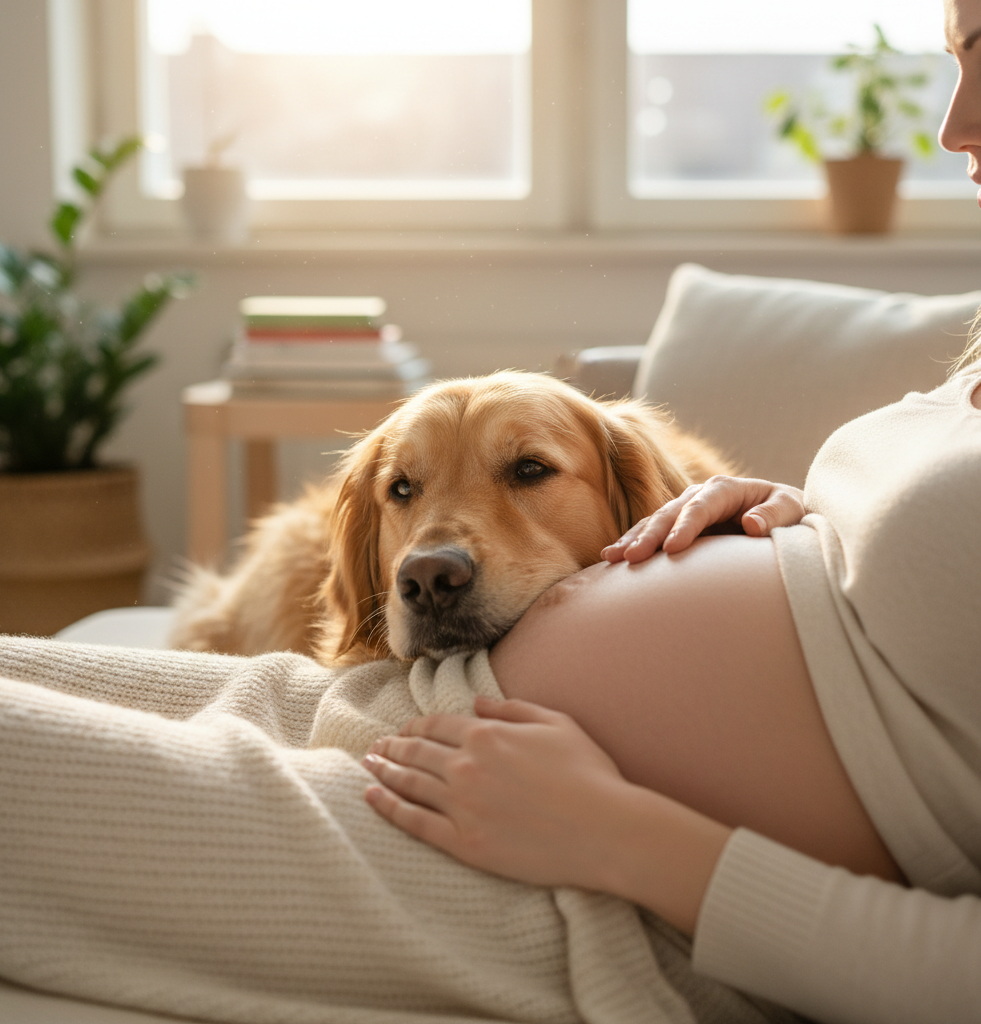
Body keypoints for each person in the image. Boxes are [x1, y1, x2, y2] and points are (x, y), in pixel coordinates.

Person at [360, 2, 981, 1020]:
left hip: (568, 868)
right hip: (442, 731)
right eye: (952, 58)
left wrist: (616, 833)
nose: (952, 125)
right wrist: (814, 513)